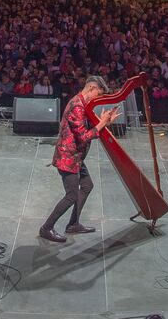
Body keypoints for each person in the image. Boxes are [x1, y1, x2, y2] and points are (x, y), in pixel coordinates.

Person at [38, 76, 120, 243]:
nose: (97, 99)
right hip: (67, 157)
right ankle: (46, 228)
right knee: (71, 196)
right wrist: (101, 124)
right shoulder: (77, 106)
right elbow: (83, 137)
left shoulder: (83, 104)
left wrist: (106, 123)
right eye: (97, 94)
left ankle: (73, 224)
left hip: (76, 157)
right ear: (90, 88)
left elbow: (89, 131)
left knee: (87, 185)